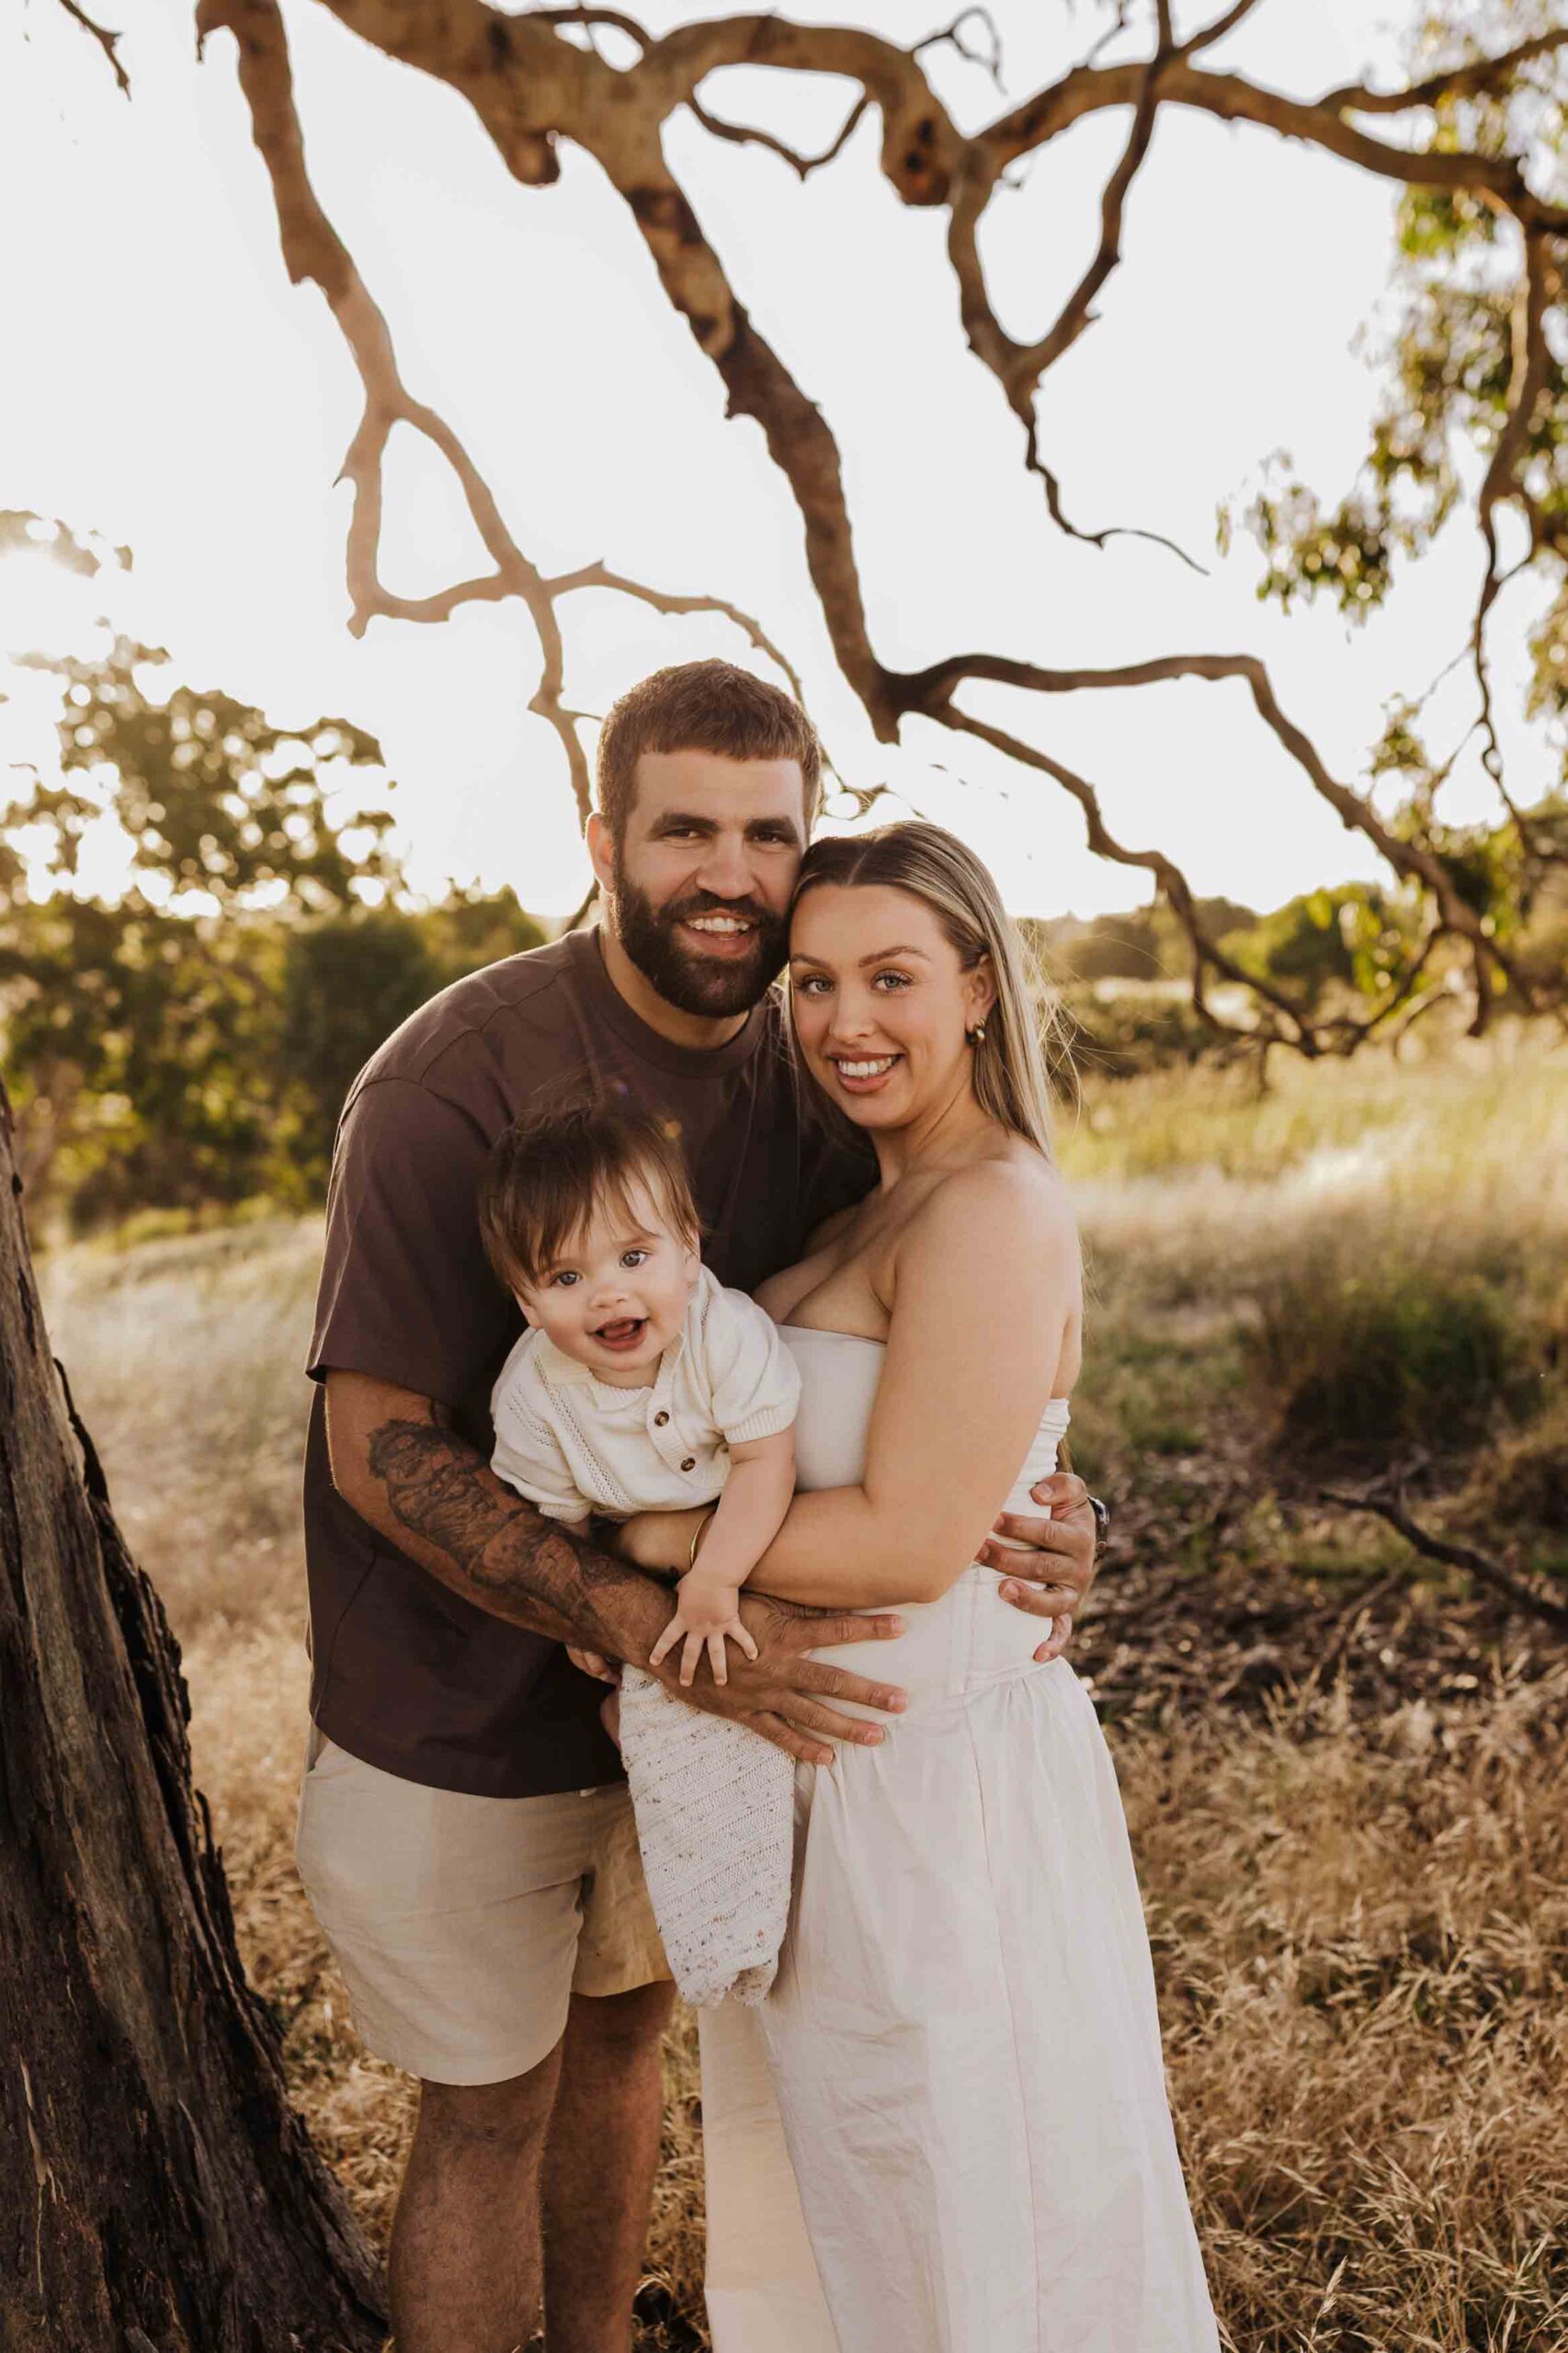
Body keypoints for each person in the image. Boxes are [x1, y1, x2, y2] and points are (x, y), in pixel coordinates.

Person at [293, 660, 1101, 2353]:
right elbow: (377, 1439)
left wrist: (1030, 1492)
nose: (729, 874)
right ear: (605, 838)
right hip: (466, 1723)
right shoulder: (452, 1081)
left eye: (767, 835)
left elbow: (904, 1366)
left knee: (622, 2055)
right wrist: (637, 1604)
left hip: (710, 1732)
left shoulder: (818, 1074)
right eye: (685, 831)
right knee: (487, 2115)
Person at [618, 821, 1219, 2351]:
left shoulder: (989, 1204)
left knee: (967, 2216)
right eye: (811, 982)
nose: (843, 1022)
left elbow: (906, 1539)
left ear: (973, 985)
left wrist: (642, 1545)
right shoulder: (861, 1200)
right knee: (855, 2229)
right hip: (838, 1786)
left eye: (891, 976)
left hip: (939, 1798)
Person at [481, 1097, 806, 2006]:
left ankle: (766, 1891)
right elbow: (556, 1530)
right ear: (524, 1300)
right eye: (565, 1276)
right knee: (663, 1692)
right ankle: (720, 1920)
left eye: (634, 1258)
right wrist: (578, 1615)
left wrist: (712, 1579)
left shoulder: (720, 1330)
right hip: (639, 1564)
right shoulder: (533, 1398)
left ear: (689, 1252)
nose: (610, 1294)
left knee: (752, 1667)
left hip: (754, 1530)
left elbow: (764, 1459)